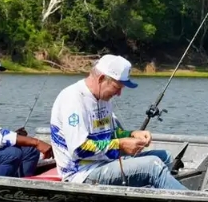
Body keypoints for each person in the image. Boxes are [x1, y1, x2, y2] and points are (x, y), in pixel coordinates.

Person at [49, 54, 187, 190]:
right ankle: (189, 201)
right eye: (117, 87)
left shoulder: (103, 98)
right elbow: (79, 149)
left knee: (165, 157)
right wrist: (121, 145)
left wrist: (132, 134)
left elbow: (113, 133)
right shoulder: (73, 99)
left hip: (106, 162)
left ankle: (159, 197)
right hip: (82, 174)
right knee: (153, 166)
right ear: (101, 79)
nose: (119, 94)